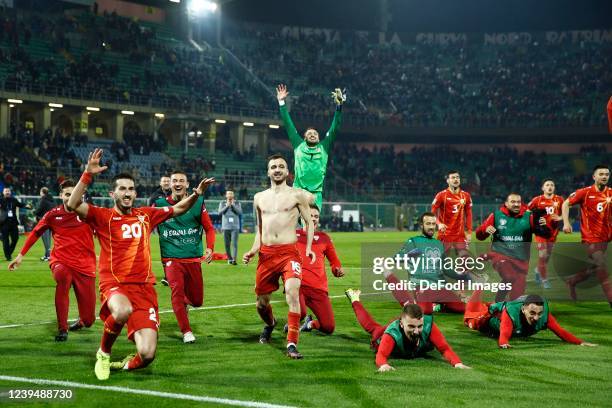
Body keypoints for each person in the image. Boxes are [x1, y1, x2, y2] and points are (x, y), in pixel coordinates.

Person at [67, 148, 214, 380]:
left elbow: (179, 208)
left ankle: (125, 365)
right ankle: (104, 353)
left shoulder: (146, 215)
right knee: (122, 310)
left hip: (144, 290)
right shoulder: (102, 216)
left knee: (147, 355)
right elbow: (73, 203)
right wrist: (87, 174)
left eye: (131, 189)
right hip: (115, 284)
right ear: (113, 193)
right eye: (122, 189)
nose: (128, 193)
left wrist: (196, 193)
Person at [243, 153, 315, 359]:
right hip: (266, 255)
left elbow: (309, 222)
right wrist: (253, 249)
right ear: (268, 171)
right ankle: (271, 324)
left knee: (292, 293)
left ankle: (292, 343)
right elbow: (259, 229)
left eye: (281, 166)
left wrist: (308, 247)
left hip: (288, 254)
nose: (277, 169)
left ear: (287, 171)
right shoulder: (259, 197)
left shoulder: (297, 195)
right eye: (273, 166)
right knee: (261, 304)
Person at [9, 179, 96, 342]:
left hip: (85, 265)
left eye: (73, 194)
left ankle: (83, 321)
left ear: (81, 195)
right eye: (67, 194)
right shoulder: (52, 214)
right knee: (62, 277)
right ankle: (62, 329)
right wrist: (21, 255)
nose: (70, 198)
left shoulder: (90, 214)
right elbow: (35, 232)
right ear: (61, 195)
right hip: (61, 261)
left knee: (90, 320)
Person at [154, 170, 215, 344]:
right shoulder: (159, 204)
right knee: (177, 292)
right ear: (169, 184)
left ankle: (185, 303)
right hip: (171, 258)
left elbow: (209, 228)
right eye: (175, 181)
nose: (178, 183)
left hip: (193, 259)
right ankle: (186, 331)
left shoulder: (198, 203)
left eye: (182, 180)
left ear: (187, 185)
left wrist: (210, 248)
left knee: (197, 301)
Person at [345, 289, 470, 371]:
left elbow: (444, 348)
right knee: (373, 328)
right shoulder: (392, 333)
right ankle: (354, 299)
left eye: (419, 326)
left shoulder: (427, 325)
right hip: (382, 336)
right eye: (411, 327)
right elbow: (381, 355)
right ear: (401, 324)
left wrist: (457, 363)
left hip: (407, 331)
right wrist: (383, 365)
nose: (416, 331)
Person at [276, 84, 345, 211]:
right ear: (304, 137)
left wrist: (339, 107)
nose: (312, 135)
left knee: (312, 225)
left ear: (319, 138)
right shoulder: (298, 144)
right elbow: (288, 123)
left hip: (316, 194)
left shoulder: (324, 146)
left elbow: (335, 127)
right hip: (298, 191)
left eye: (315, 134)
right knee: (295, 225)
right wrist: (281, 102)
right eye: (309, 134)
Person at [384, 212, 467, 314]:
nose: (431, 227)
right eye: (428, 224)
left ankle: (440, 306)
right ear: (421, 226)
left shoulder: (439, 244)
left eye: (433, 224)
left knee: (463, 308)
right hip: (422, 286)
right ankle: (412, 303)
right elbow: (399, 257)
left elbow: (446, 269)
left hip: (440, 287)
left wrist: (459, 283)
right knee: (424, 310)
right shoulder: (414, 241)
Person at [476, 193, 550, 302]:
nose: (516, 204)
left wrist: (544, 225)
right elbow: (479, 236)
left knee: (516, 300)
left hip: (521, 262)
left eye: (518, 202)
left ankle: (505, 309)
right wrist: (485, 230)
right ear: (506, 204)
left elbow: (546, 234)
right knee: (509, 276)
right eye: (513, 202)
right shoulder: (496, 216)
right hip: (500, 255)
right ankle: (498, 302)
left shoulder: (529, 217)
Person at [464, 291, 597, 348]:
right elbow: (504, 333)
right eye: (532, 313)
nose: (536, 317)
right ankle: (479, 285)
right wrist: (503, 343)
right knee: (469, 319)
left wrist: (579, 342)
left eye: (539, 313)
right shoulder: (511, 314)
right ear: (523, 309)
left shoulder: (544, 316)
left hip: (504, 309)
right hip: (488, 320)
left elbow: (561, 332)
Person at [562, 164, 611, 306]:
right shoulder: (585, 192)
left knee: (595, 268)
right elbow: (566, 204)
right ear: (594, 177)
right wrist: (566, 223)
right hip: (590, 238)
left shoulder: (610, 193)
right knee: (601, 263)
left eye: (607, 174)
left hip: (605, 238)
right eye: (601, 174)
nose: (604, 177)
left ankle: (572, 282)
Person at [295, 204, 344, 334]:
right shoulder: (293, 235)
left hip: (318, 288)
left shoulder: (324, 238)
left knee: (329, 327)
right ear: (302, 216)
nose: (314, 218)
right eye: (310, 215)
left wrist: (337, 269)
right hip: (298, 285)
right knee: (300, 312)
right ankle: (292, 325)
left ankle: (309, 324)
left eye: (316, 216)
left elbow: (334, 261)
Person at [527, 179, 564, 289]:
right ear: (543, 188)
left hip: (553, 232)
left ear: (554, 188)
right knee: (542, 254)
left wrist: (561, 217)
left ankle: (538, 270)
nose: (550, 186)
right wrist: (533, 223)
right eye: (547, 185)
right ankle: (544, 280)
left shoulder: (560, 199)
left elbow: (565, 211)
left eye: (552, 185)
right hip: (541, 232)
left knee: (547, 256)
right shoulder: (537, 200)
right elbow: (527, 212)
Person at [431, 170, 473, 257]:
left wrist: (469, 232)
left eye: (457, 177)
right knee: (444, 262)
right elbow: (432, 213)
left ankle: (464, 271)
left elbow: (469, 214)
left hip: (460, 235)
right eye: (453, 178)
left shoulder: (466, 195)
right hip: (445, 234)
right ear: (448, 181)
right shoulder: (441, 195)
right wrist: (439, 224)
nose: (455, 179)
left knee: (465, 258)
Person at [0, 187, 32, 261]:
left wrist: (27, 206)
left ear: (10, 192)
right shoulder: (1, 200)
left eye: (8, 191)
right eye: (6, 191)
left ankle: (9, 253)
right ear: (3, 192)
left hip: (13, 222)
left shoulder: (14, 200)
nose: (7, 192)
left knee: (15, 239)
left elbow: (21, 205)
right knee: (6, 240)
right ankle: (8, 256)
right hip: (4, 223)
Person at [218, 190, 242, 265]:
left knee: (234, 243)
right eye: (228, 193)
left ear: (233, 195)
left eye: (231, 193)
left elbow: (239, 212)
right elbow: (220, 212)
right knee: (227, 244)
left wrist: (232, 206)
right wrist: (227, 206)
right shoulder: (222, 203)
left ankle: (234, 260)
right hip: (225, 227)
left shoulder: (237, 203)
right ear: (226, 195)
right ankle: (230, 259)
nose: (230, 195)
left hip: (235, 227)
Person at [34, 187, 56, 261]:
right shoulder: (52, 200)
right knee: (48, 239)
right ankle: (46, 255)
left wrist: (34, 212)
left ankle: (49, 256)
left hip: (44, 221)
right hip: (51, 221)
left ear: (42, 192)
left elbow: (39, 209)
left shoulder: (43, 200)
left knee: (45, 239)